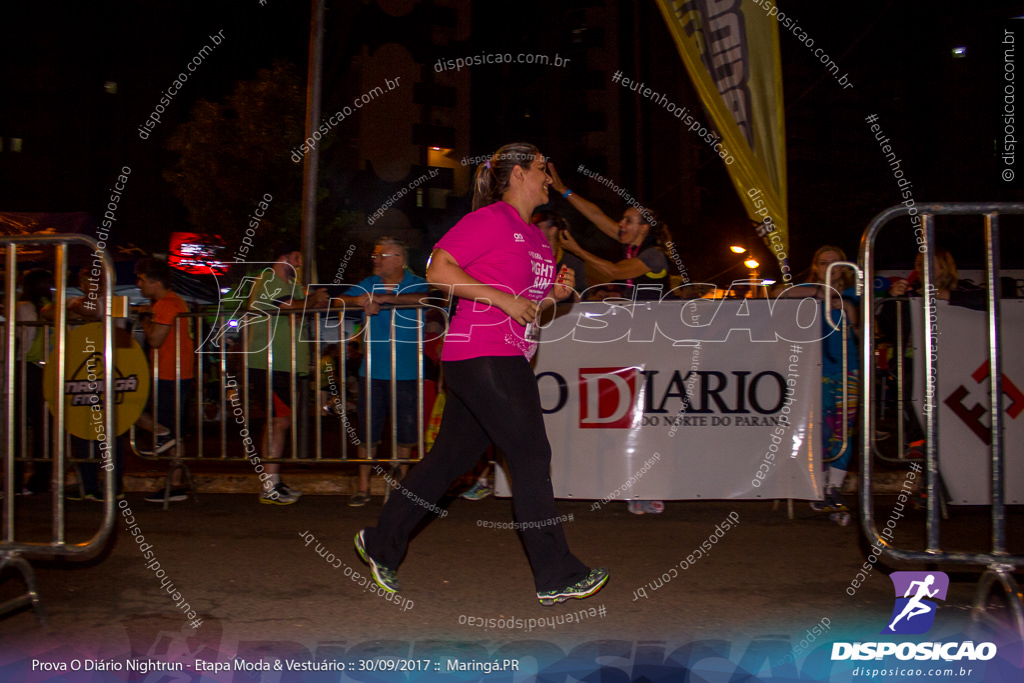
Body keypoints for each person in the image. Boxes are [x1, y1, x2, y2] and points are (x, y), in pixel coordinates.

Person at [355, 143, 608, 605]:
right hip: (482, 352)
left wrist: (557, 294)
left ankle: (380, 541)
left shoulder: (535, 239)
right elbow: (437, 270)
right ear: (516, 175)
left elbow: (530, 308)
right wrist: (502, 299)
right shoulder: (490, 220)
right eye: (540, 171)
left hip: (504, 353)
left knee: (448, 463)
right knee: (531, 454)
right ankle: (556, 574)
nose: (548, 179)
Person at [547, 163, 670, 514]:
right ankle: (633, 486)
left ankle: (651, 488)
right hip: (634, 345)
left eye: (629, 220)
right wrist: (563, 190)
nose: (621, 225)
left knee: (647, 419)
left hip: (655, 347)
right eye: (624, 219)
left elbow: (614, 272)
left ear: (644, 228)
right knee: (627, 416)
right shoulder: (632, 245)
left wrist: (577, 251)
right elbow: (598, 214)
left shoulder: (653, 255)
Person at [336, 237, 429, 507]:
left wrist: (384, 299)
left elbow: (427, 298)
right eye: (374, 255)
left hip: (408, 372)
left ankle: (399, 488)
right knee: (367, 432)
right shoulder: (368, 284)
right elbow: (341, 300)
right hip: (372, 372)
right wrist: (361, 301)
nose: (375, 259)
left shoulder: (416, 282)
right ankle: (363, 486)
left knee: (406, 434)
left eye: (381, 255)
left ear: (399, 259)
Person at [777, 245, 859, 521]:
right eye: (823, 264)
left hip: (848, 370)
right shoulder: (808, 291)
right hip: (814, 371)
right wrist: (817, 293)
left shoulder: (855, 294)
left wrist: (845, 307)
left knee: (844, 430)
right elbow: (777, 293)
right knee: (820, 429)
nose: (829, 269)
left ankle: (834, 487)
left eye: (835, 264)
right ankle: (819, 487)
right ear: (815, 267)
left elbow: (865, 329)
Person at [245, 243, 328, 505]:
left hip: (286, 364)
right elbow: (289, 307)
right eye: (297, 257)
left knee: (281, 421)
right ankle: (269, 485)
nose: (301, 264)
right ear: (283, 258)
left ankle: (273, 481)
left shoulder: (292, 286)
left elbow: (304, 307)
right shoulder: (267, 280)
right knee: (277, 422)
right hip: (269, 362)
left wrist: (314, 300)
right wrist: (313, 299)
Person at [133, 257, 196, 503]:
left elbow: (155, 339)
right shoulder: (173, 302)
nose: (139, 285)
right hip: (175, 373)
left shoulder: (166, 304)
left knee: (134, 411)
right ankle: (176, 482)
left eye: (141, 280)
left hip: (169, 373)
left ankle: (162, 434)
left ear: (154, 282)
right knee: (175, 431)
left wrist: (145, 318)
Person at [14, 269, 54, 495]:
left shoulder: (24, 307)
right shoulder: (51, 307)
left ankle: (16, 478)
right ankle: (42, 478)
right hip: (48, 367)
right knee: (43, 427)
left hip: (28, 367)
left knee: (18, 425)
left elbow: (24, 339)